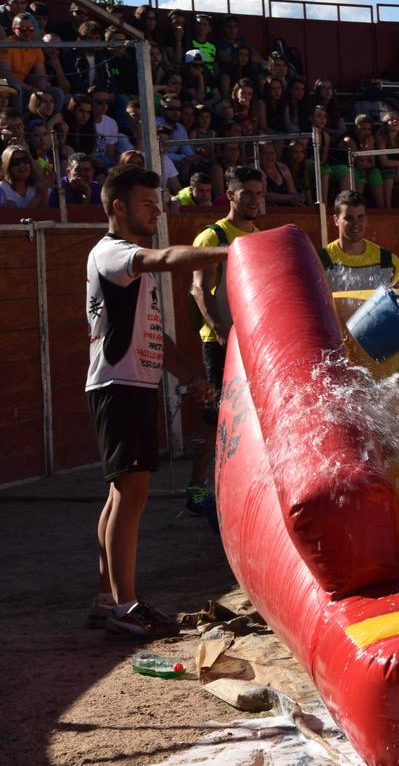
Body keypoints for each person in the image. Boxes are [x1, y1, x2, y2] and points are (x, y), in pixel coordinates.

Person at [87, 165, 225, 637]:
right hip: (119, 386)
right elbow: (165, 257)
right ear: (118, 207)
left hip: (126, 384)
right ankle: (126, 607)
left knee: (119, 494)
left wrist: (188, 374)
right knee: (132, 493)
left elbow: (152, 333)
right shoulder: (113, 254)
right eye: (148, 204)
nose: (157, 211)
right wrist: (230, 250)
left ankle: (108, 598)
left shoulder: (119, 260)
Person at [188, 166, 264, 514]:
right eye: (246, 193)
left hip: (249, 340)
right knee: (215, 416)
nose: (254, 199)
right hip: (219, 342)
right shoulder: (213, 236)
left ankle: (240, 487)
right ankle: (196, 489)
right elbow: (199, 288)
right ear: (230, 196)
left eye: (258, 193)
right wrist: (219, 330)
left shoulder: (259, 237)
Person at [319, 189, 399, 292]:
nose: (356, 223)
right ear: (336, 220)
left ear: (366, 218)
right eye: (348, 218)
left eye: (360, 217)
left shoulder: (387, 260)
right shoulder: (321, 261)